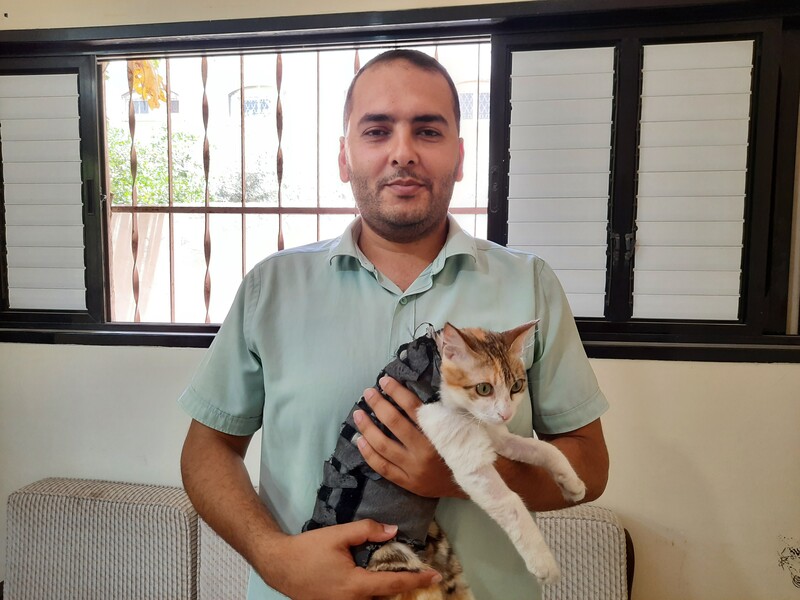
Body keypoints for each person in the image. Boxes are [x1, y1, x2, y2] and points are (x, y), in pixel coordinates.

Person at [179, 49, 610, 600]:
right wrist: (271, 556)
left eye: (427, 132)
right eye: (377, 131)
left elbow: (589, 467)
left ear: (459, 156)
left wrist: (454, 476)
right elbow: (207, 449)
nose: (402, 153)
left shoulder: (530, 286)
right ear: (344, 156)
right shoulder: (272, 287)